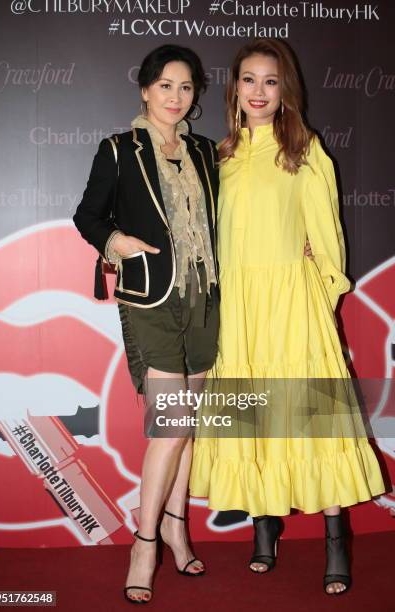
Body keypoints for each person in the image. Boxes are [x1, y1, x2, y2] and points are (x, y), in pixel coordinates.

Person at [189, 38, 385, 595]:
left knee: (312, 419)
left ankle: (335, 537)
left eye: (270, 81)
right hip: (239, 310)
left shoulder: (304, 150)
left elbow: (327, 237)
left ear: (285, 90)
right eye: (248, 80)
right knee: (251, 415)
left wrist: (320, 294)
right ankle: (262, 530)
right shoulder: (219, 157)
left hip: (293, 305)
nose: (258, 91)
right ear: (234, 88)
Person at [73, 44, 221, 604]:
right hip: (151, 299)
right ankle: (145, 543)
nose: (175, 98)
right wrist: (116, 242)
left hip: (205, 299)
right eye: (165, 86)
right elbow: (88, 215)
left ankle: (179, 530)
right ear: (144, 89)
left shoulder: (207, 153)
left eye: (185, 88)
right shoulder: (119, 149)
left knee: (188, 428)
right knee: (171, 427)